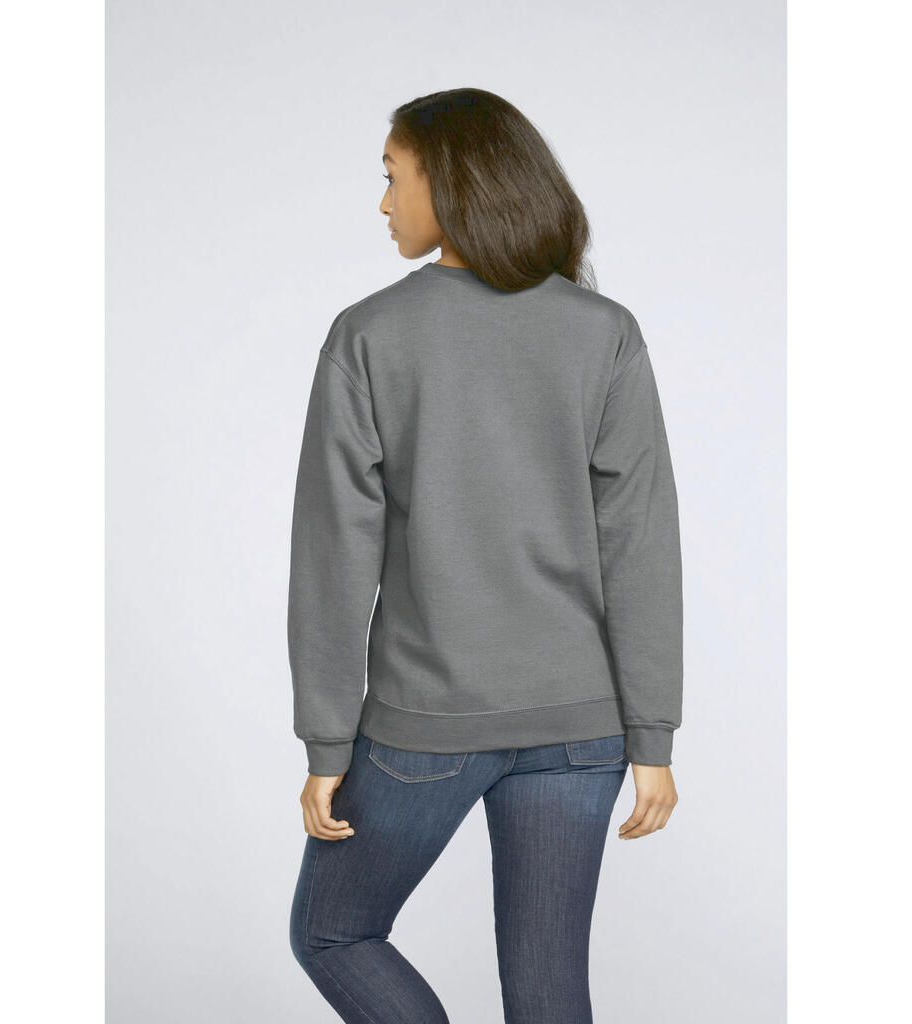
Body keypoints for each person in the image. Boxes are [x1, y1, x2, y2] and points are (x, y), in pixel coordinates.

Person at [287, 87, 683, 1023]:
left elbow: (335, 556)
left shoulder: (370, 334)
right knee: (549, 991)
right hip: (582, 730)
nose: (384, 203)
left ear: (449, 181)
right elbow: (642, 543)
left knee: (335, 933)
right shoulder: (603, 331)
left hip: (428, 722)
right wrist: (652, 739)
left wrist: (326, 741)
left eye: (394, 177)